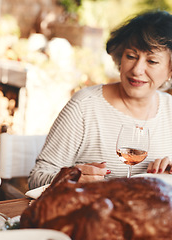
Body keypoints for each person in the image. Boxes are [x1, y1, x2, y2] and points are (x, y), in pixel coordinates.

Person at [28, 10, 172, 189]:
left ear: (170, 70)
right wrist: (73, 179)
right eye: (131, 56)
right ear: (120, 56)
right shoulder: (85, 106)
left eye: (152, 61)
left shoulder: (170, 110)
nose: (137, 69)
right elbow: (37, 178)